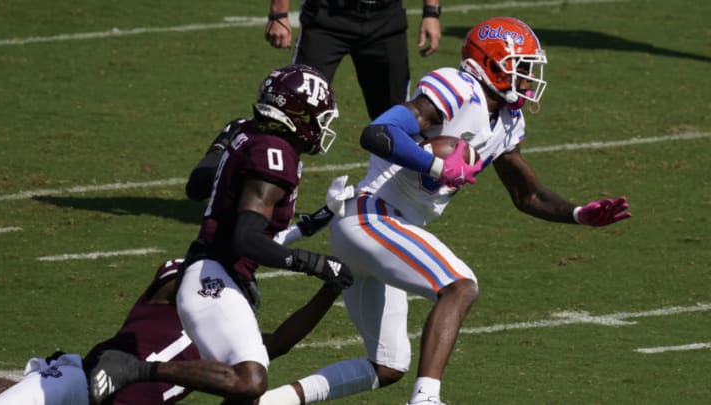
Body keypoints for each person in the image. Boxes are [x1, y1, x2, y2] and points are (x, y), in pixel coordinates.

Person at [258, 16, 631, 405]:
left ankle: (270, 402)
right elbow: (378, 133)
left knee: (387, 365)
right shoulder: (457, 88)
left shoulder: (507, 120)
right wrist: (434, 164)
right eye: (520, 67)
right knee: (459, 285)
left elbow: (527, 195)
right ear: (491, 65)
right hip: (373, 216)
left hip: (382, 230)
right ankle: (425, 400)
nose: (527, 79)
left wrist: (578, 214)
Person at [87, 63, 355, 405]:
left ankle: (133, 368)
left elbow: (200, 186)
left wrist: (320, 225)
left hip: (217, 270)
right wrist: (315, 264)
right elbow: (246, 238)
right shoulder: (275, 155)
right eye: (318, 117)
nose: (321, 127)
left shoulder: (247, 132)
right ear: (298, 114)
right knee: (251, 380)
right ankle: (133, 368)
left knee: (245, 393)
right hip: (213, 273)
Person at [0, 256, 343, 405]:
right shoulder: (180, 292)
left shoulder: (224, 353)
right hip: (79, 385)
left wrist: (331, 289)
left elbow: (280, 341)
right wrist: (223, 262)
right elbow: (178, 275)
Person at [265, 0, 443, 120]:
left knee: (394, 117)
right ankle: (275, 171)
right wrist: (278, 13)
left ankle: (389, 175)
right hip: (327, 16)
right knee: (295, 106)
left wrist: (431, 12)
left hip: (386, 19)